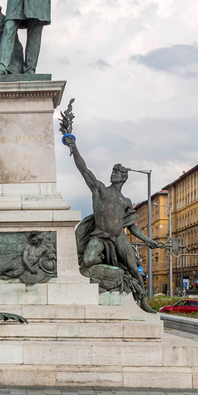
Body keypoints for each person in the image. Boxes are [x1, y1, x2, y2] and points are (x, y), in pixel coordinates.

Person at [64, 134, 163, 313]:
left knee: (134, 268)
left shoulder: (126, 200)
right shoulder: (100, 190)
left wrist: (147, 240)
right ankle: (105, 266)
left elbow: (131, 225)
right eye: (112, 172)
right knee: (87, 261)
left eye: (116, 172)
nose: (112, 174)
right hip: (100, 236)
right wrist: (74, 147)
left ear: (123, 178)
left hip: (119, 237)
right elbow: (84, 170)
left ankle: (142, 300)